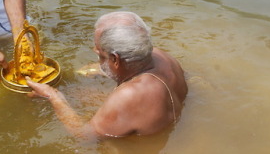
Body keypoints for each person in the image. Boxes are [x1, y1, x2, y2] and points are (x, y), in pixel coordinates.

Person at [27, 11, 188, 139]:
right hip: (171, 126)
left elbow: (85, 136)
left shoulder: (130, 95)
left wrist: (53, 96)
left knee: (68, 97)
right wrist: (101, 67)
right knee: (79, 93)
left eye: (100, 54)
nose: (97, 58)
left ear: (115, 59)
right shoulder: (163, 57)